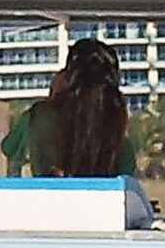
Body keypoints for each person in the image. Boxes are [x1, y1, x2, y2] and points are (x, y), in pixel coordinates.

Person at [19, 38, 137, 178]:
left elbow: (8, 152)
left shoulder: (40, 117)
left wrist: (53, 97)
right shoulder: (122, 146)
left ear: (67, 77)